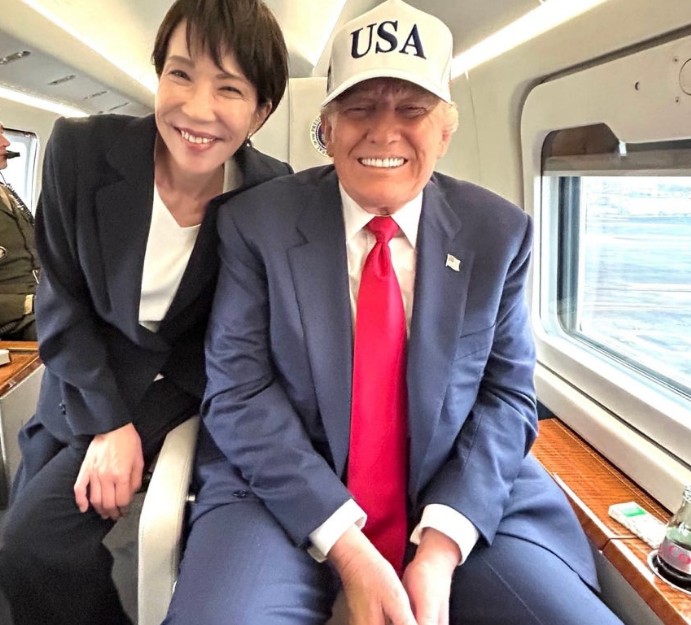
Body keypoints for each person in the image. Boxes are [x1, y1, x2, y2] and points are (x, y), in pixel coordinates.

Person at [165, 1, 629, 624]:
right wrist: (350, 550)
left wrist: (439, 549)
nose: (384, 133)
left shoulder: (498, 233)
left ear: (445, 130)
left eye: (412, 110)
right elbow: (238, 392)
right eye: (359, 108)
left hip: (457, 487)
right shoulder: (257, 224)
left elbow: (506, 396)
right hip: (278, 487)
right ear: (327, 128)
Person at [0, 1, 290, 623]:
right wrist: (109, 425)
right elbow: (62, 301)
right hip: (84, 373)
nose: (197, 109)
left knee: (34, 542)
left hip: (183, 382)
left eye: (230, 88)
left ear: (261, 111)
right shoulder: (80, 151)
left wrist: (140, 422)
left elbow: (237, 332)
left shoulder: (270, 192)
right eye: (180, 74)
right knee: (25, 548)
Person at [0, 124, 39, 340]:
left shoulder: (5, 192)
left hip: (41, 305)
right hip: (13, 321)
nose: (6, 143)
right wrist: (29, 303)